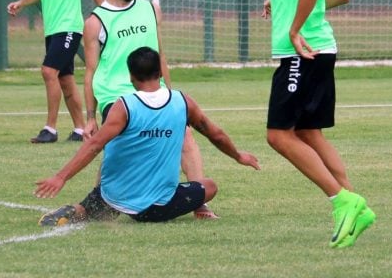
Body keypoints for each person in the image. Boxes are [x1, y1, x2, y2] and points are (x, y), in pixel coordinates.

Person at [262, 0, 374, 248]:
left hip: (303, 49)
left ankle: (341, 200)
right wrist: (282, 0)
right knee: (309, 132)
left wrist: (293, 28)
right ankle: (355, 205)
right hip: (322, 47)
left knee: (278, 135)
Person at [34, 46, 259, 225]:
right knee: (209, 186)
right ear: (160, 73)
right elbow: (216, 135)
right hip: (156, 209)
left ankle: (81, 209)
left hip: (116, 197)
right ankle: (187, 206)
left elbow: (94, 145)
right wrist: (239, 156)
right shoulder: (182, 102)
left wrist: (60, 177)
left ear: (131, 76)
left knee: (104, 199)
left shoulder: (123, 106)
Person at [81, 0, 218, 219]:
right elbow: (91, 72)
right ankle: (100, 205)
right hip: (116, 97)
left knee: (185, 134)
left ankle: (199, 205)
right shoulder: (96, 22)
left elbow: (160, 55)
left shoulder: (151, 10)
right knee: (118, 143)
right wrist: (90, 117)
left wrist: (171, 94)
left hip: (154, 92)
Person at [8, 0, 103, 143]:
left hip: (69, 26)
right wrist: (21, 2)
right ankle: (81, 130)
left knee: (48, 71)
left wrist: (104, 12)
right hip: (52, 29)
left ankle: (50, 129)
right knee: (65, 80)